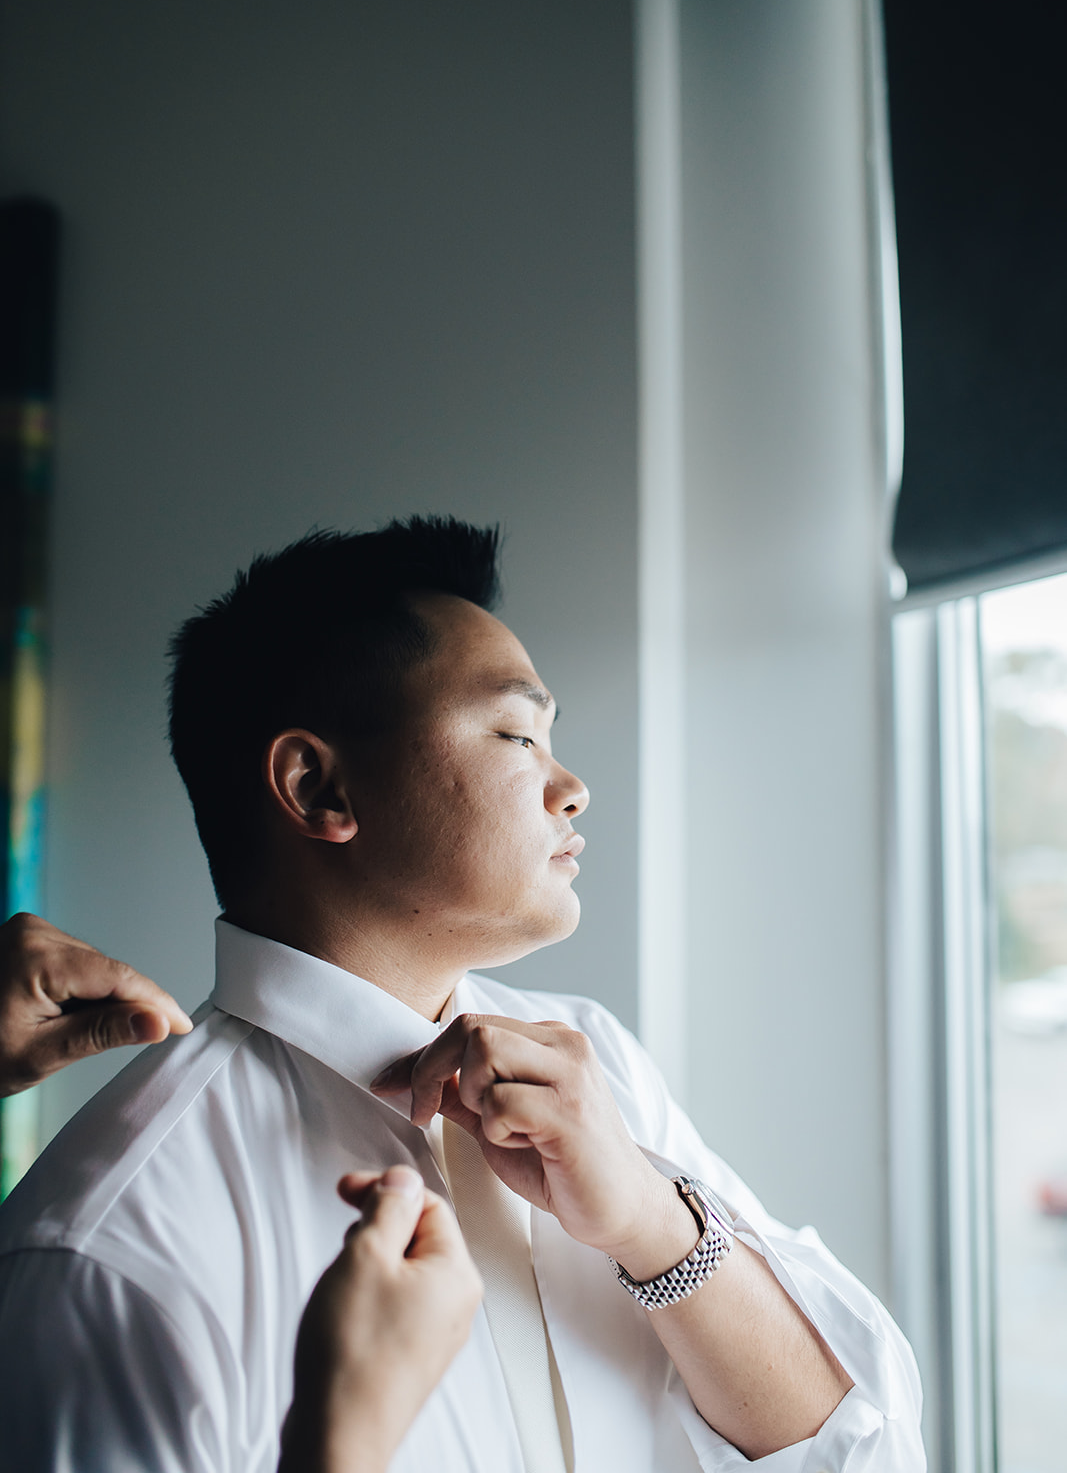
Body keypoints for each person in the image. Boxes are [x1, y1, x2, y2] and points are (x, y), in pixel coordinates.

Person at [0, 517, 925, 1470]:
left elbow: (866, 1452)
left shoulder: (588, 1058)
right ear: (318, 788)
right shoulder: (108, 1243)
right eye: (517, 733)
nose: (571, 788)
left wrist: (649, 1224)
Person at [0, 912, 483, 1473]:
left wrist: (617, 1235)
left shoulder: (596, 1065)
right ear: (318, 814)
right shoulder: (100, 1257)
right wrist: (346, 1446)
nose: (571, 814)